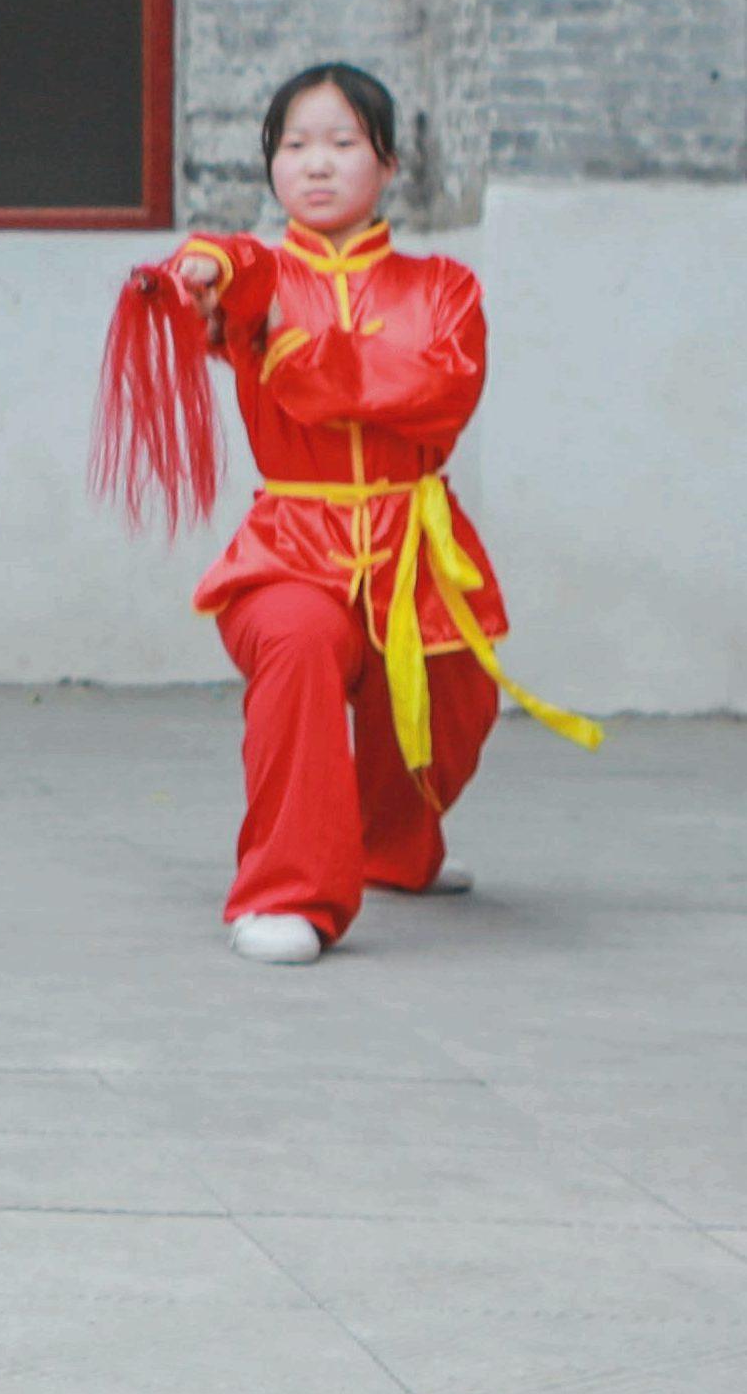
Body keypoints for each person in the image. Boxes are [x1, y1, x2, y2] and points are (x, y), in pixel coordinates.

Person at [147, 62, 594, 968]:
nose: (316, 165)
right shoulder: (263, 279)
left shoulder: (444, 289)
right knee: (301, 644)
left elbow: (436, 391)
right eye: (294, 146)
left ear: (387, 161)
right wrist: (200, 267)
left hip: (416, 547)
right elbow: (223, 271)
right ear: (271, 166)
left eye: (343, 143)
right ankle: (287, 891)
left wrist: (298, 362)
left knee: (455, 703)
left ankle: (396, 847)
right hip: (290, 550)